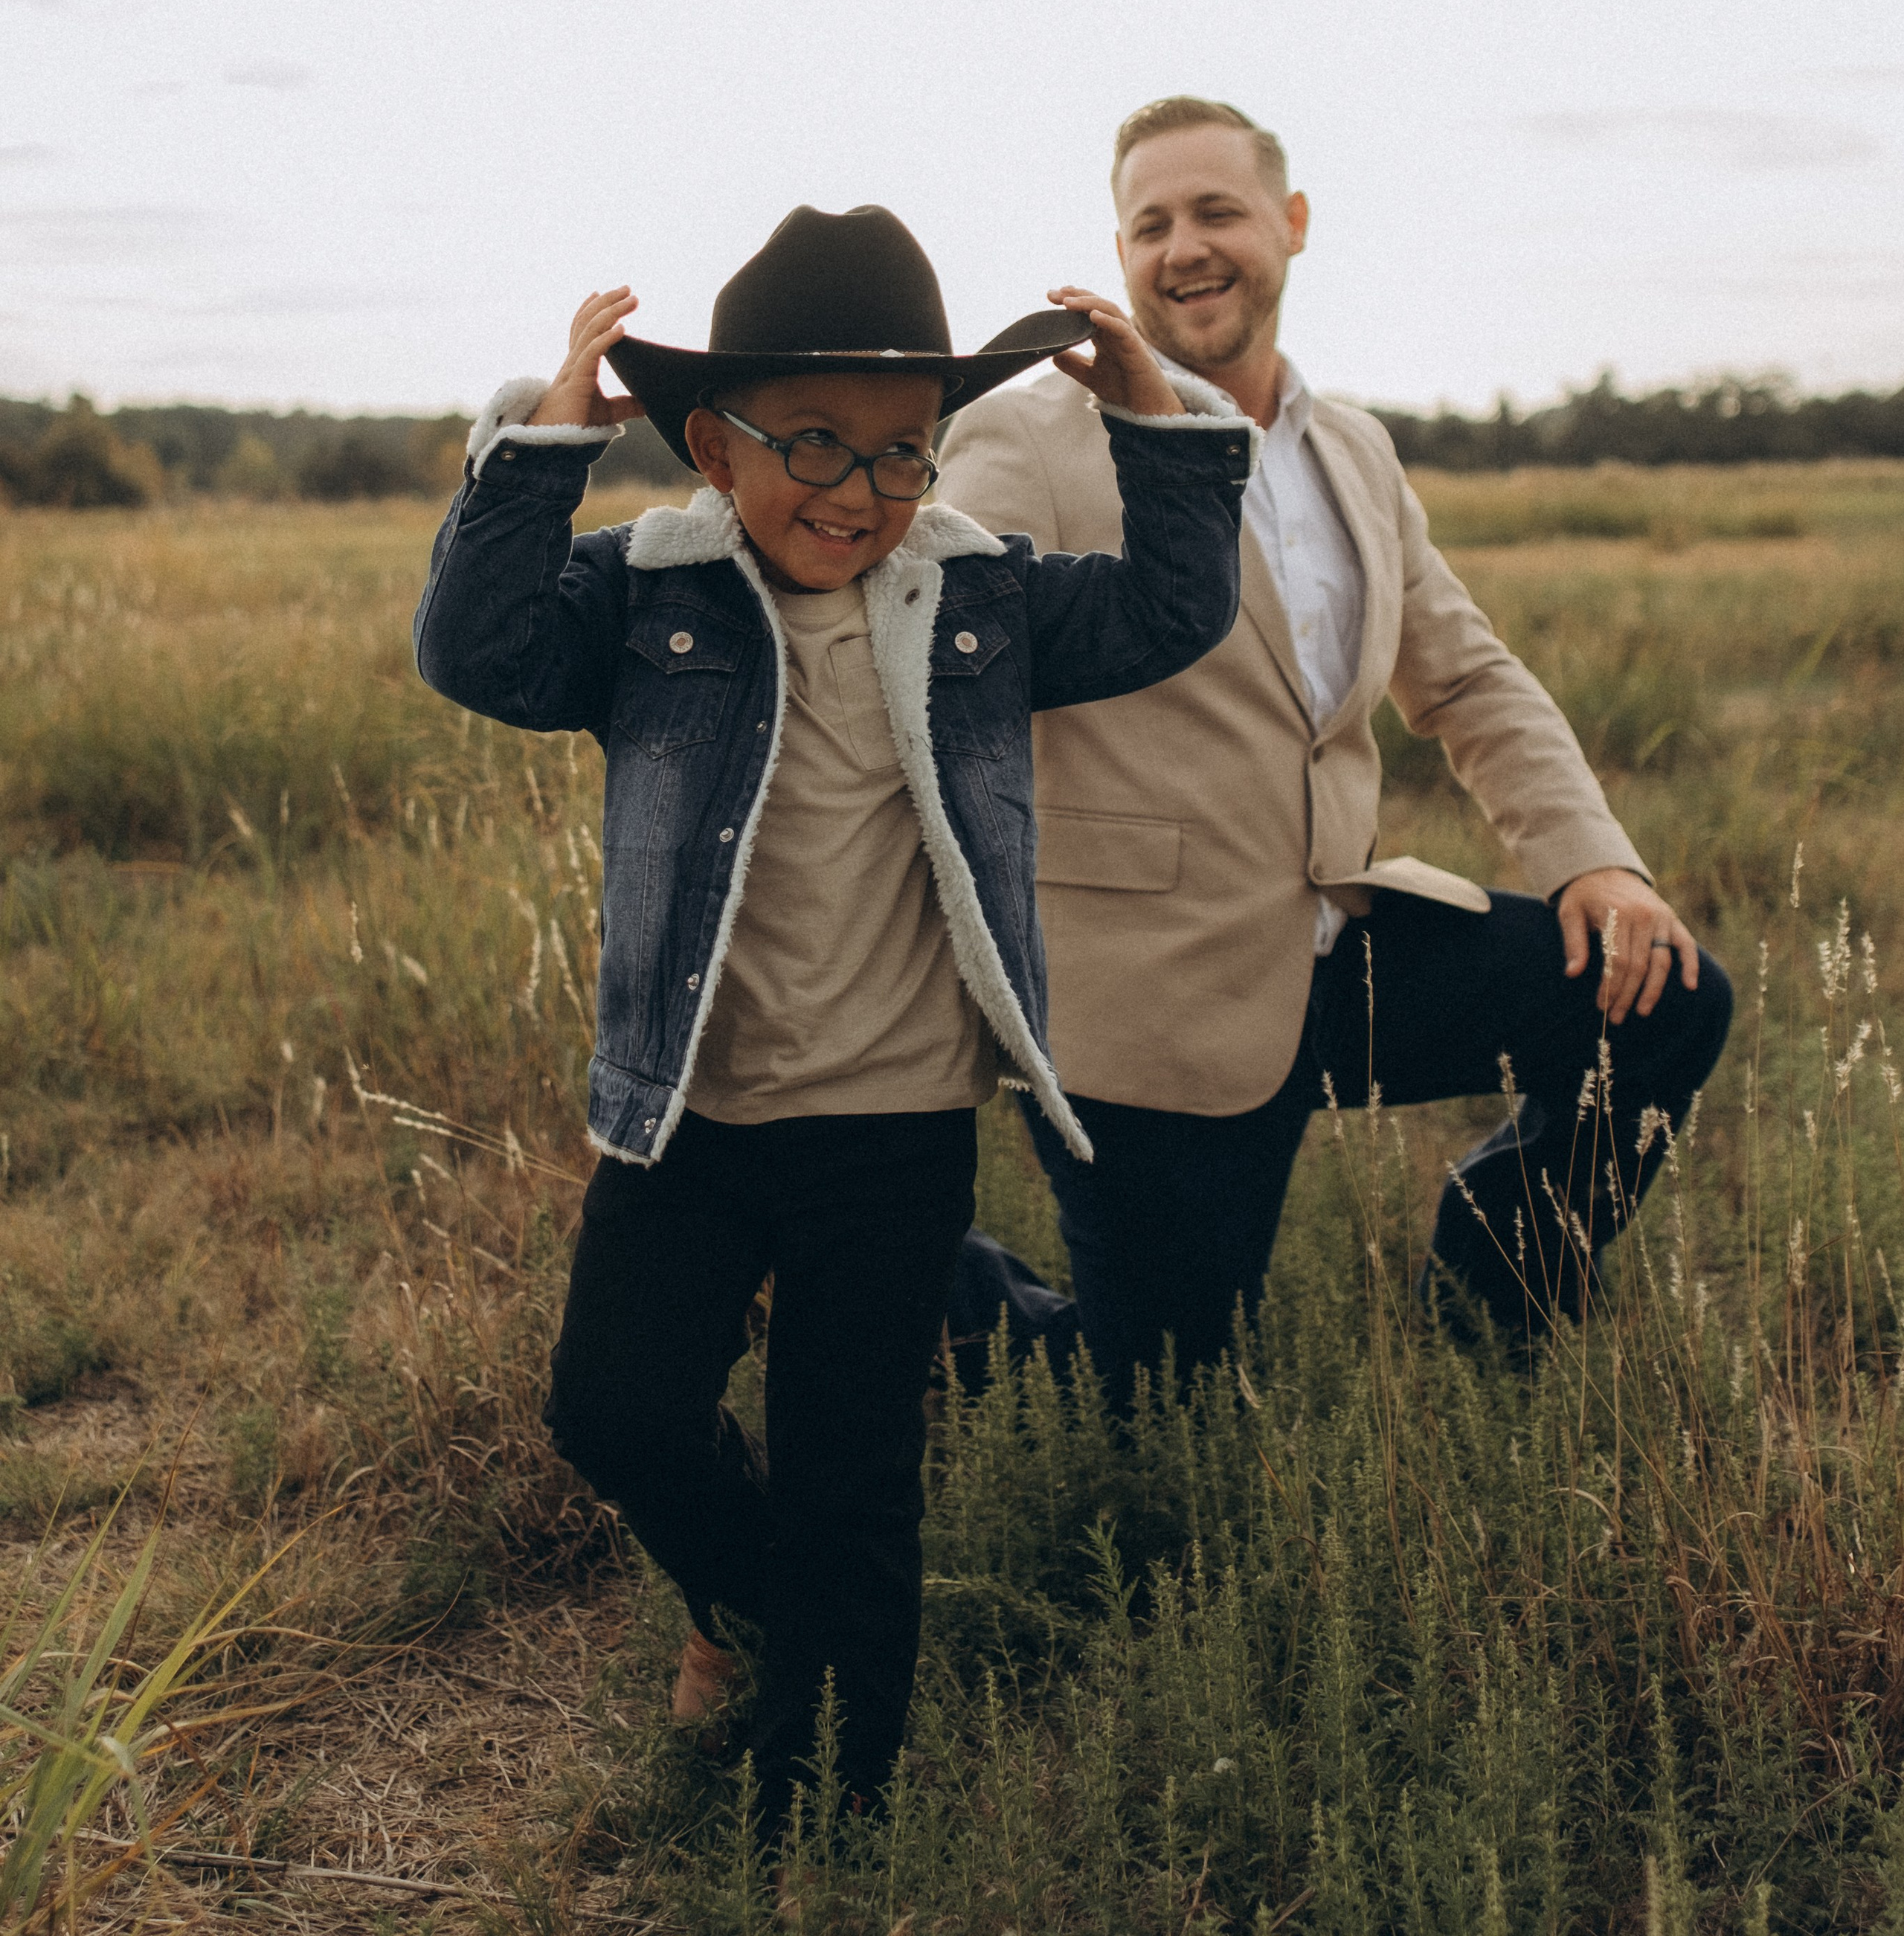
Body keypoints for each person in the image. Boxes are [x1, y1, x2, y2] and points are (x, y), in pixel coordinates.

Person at [411, 201, 1250, 1836]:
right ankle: (747, 1607)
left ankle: (830, 1802)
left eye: (901, 453)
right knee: (617, 1405)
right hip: (694, 1112)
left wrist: (1152, 419)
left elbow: (1168, 614)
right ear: (713, 452)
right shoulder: (646, 597)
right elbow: (475, 651)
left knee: (850, 1467)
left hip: (892, 1122)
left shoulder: (981, 600)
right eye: (812, 443)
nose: (859, 492)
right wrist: (536, 453)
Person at [939, 99, 1733, 1398]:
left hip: (1339, 945)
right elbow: (938, 671)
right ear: (1121, 254)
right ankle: (913, 1274)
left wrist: (1600, 863)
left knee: (1666, 1001)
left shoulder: (1352, 449)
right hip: (1146, 1000)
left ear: (1291, 226)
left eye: (1216, 212)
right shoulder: (1030, 438)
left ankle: (1494, 1296)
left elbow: (1468, 678)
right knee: (1156, 1403)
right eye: (1151, 225)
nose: (1184, 248)